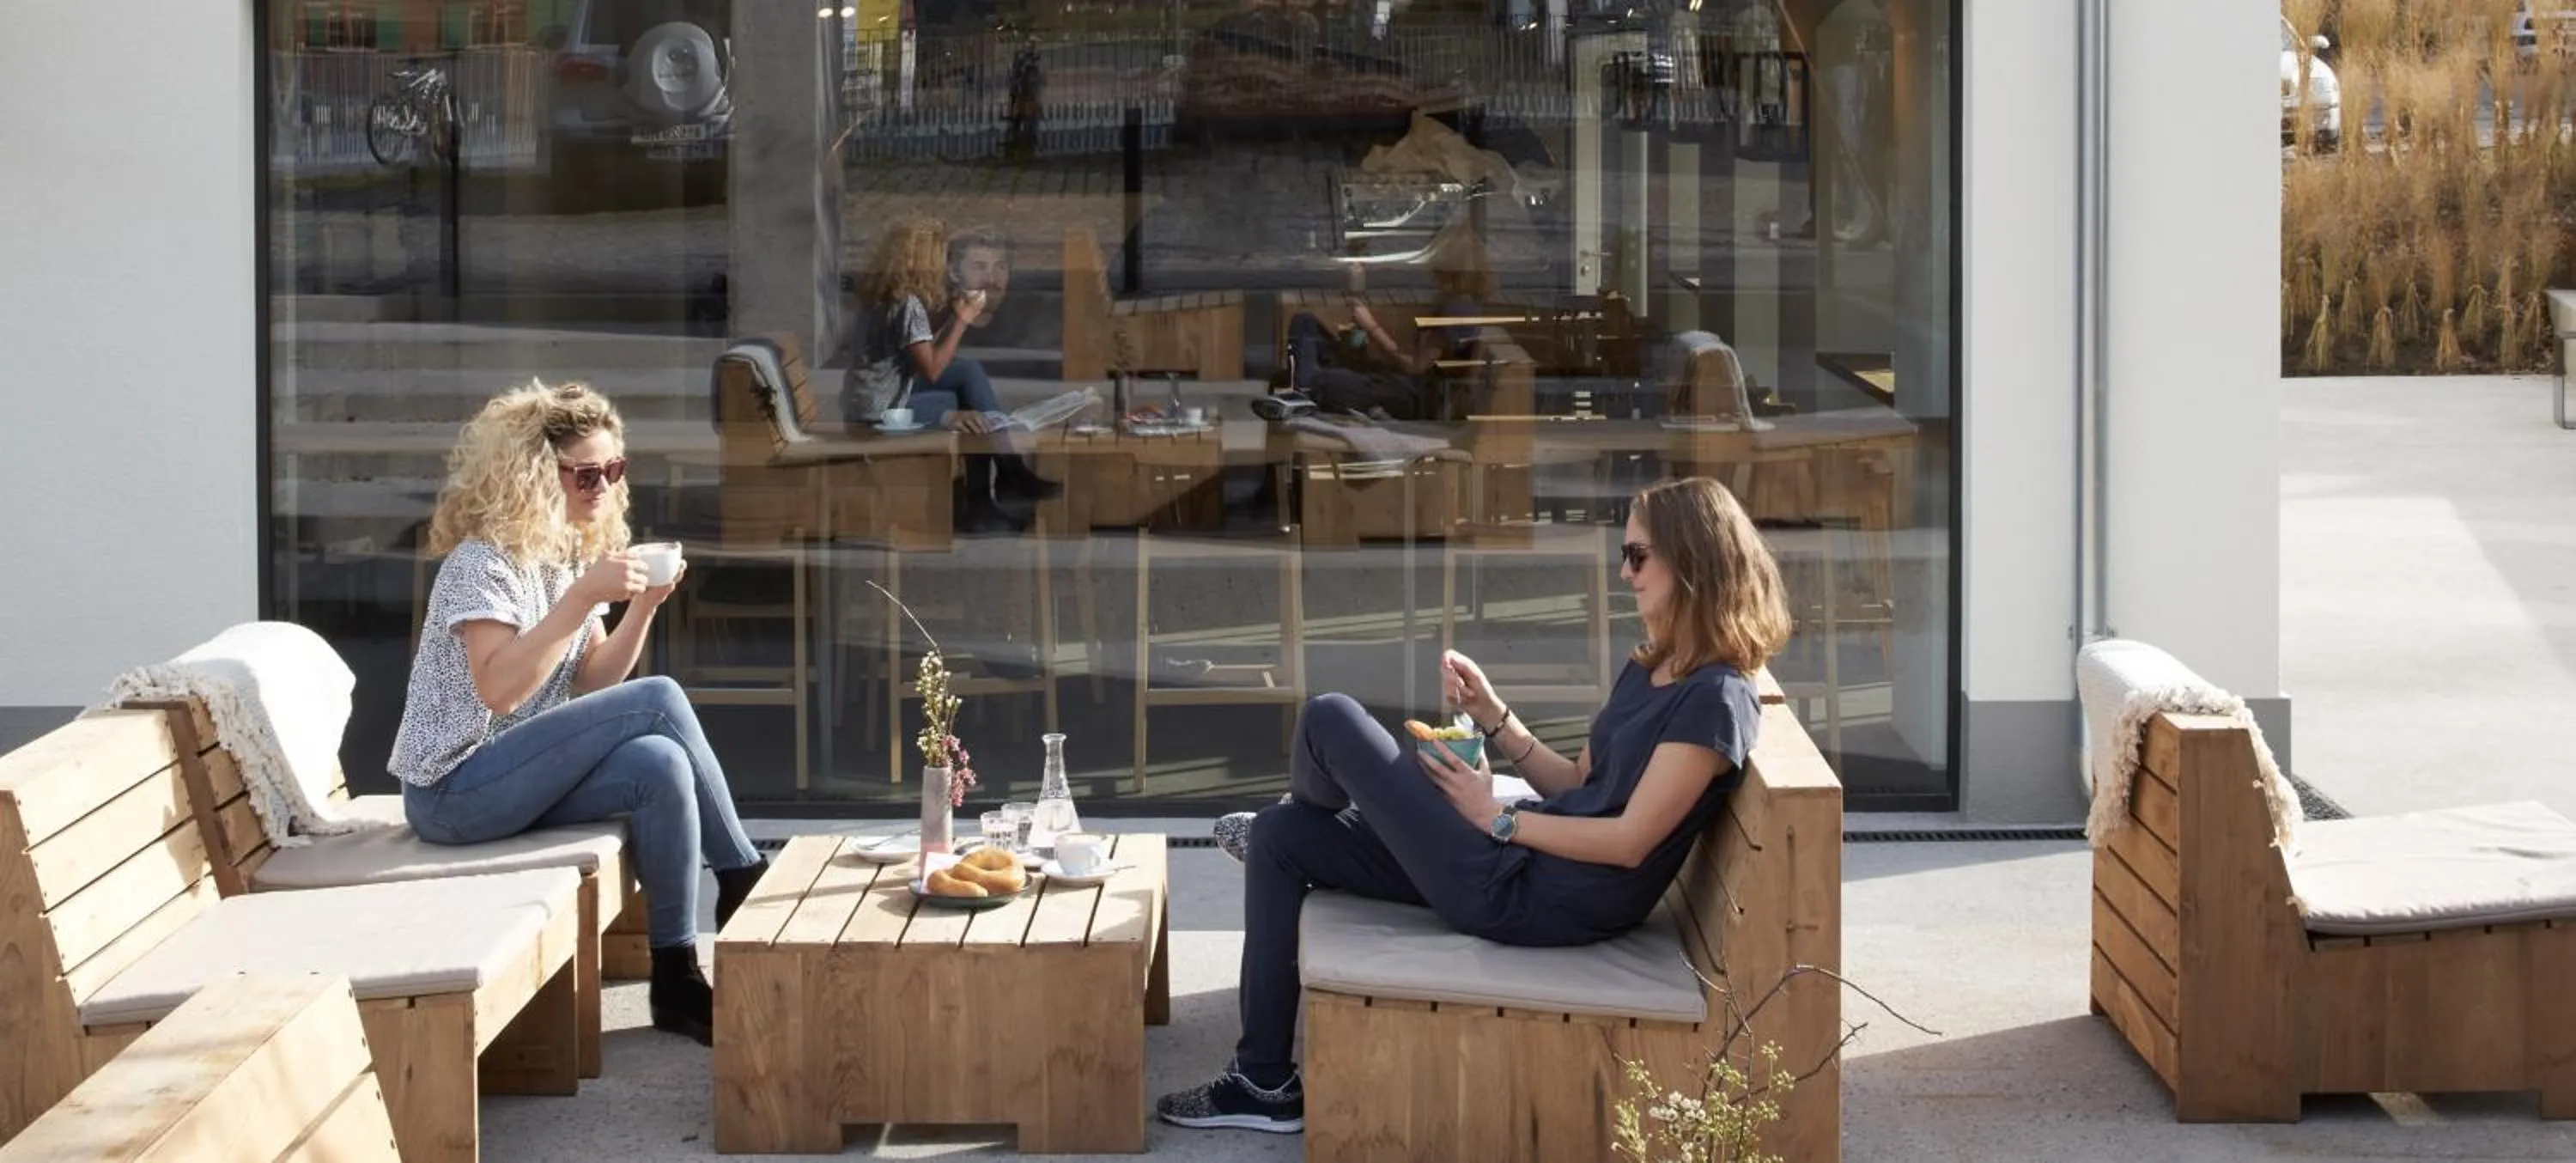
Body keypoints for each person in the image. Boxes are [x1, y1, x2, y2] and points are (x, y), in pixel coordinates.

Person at [1162, 476, 1794, 1134]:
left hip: (1540, 896)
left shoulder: (1715, 699)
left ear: (1692, 560)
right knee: (1281, 836)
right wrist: (1494, 717)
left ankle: (1334, 814)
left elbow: (1630, 841)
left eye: (1638, 556)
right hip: (1515, 861)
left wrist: (1494, 817)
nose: (1623, 571)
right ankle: (1262, 1082)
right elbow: (1578, 783)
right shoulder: (1656, 664)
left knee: (1330, 719)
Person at [388, 381, 769, 1047]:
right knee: (659, 699)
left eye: (612, 470)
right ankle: (742, 876)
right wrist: (582, 600)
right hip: (453, 791)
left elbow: (592, 684)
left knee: (658, 762)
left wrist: (643, 605)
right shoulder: (481, 563)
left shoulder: (567, 555)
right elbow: (499, 692)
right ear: (537, 476)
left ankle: (676, 977)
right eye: (585, 473)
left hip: (516, 777)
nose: (601, 486)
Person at [842, 216, 1060, 533]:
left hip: (872, 397)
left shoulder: (888, 295)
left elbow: (916, 351)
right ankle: (984, 504)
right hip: (883, 412)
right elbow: (931, 369)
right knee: (966, 410)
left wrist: (951, 312)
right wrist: (961, 320)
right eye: (939, 258)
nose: (944, 268)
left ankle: (1010, 474)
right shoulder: (908, 305)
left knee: (968, 372)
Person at [1279, 219, 1499, 421]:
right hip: (1397, 381)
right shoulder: (1461, 303)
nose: (1432, 268)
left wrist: (1372, 327)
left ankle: (1305, 391)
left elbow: (1414, 368)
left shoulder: (1458, 309)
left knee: (1324, 382)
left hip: (1408, 396)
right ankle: (1304, 386)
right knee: (1305, 322)